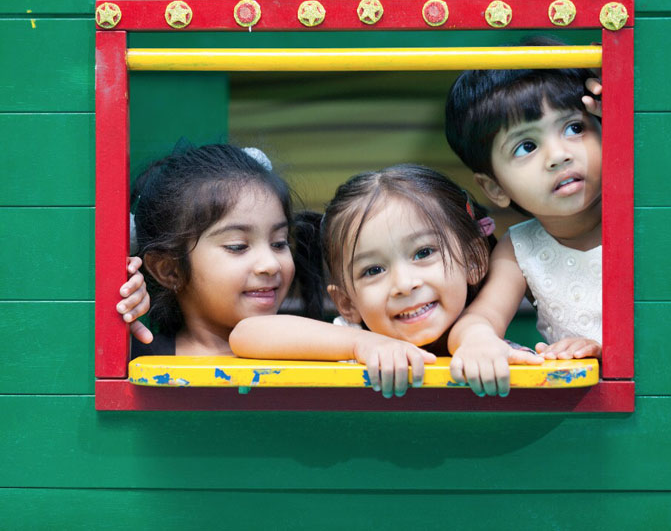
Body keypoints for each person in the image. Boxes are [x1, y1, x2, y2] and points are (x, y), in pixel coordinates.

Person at [229, 164, 541, 396]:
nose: (404, 284)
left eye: (423, 253)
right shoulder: (356, 342)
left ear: (473, 261)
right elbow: (247, 333)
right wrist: (363, 344)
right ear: (347, 304)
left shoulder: (488, 346)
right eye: (374, 270)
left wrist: (480, 342)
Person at [443, 39, 604, 397]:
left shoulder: (648, 209)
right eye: (526, 146)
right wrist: (479, 340)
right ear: (495, 188)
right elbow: (480, 318)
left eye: (574, 128)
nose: (558, 155)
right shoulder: (520, 248)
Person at [116, 143, 323, 356]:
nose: (271, 264)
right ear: (169, 270)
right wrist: (115, 315)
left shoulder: (320, 350)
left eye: (279, 243)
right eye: (238, 246)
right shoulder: (136, 361)